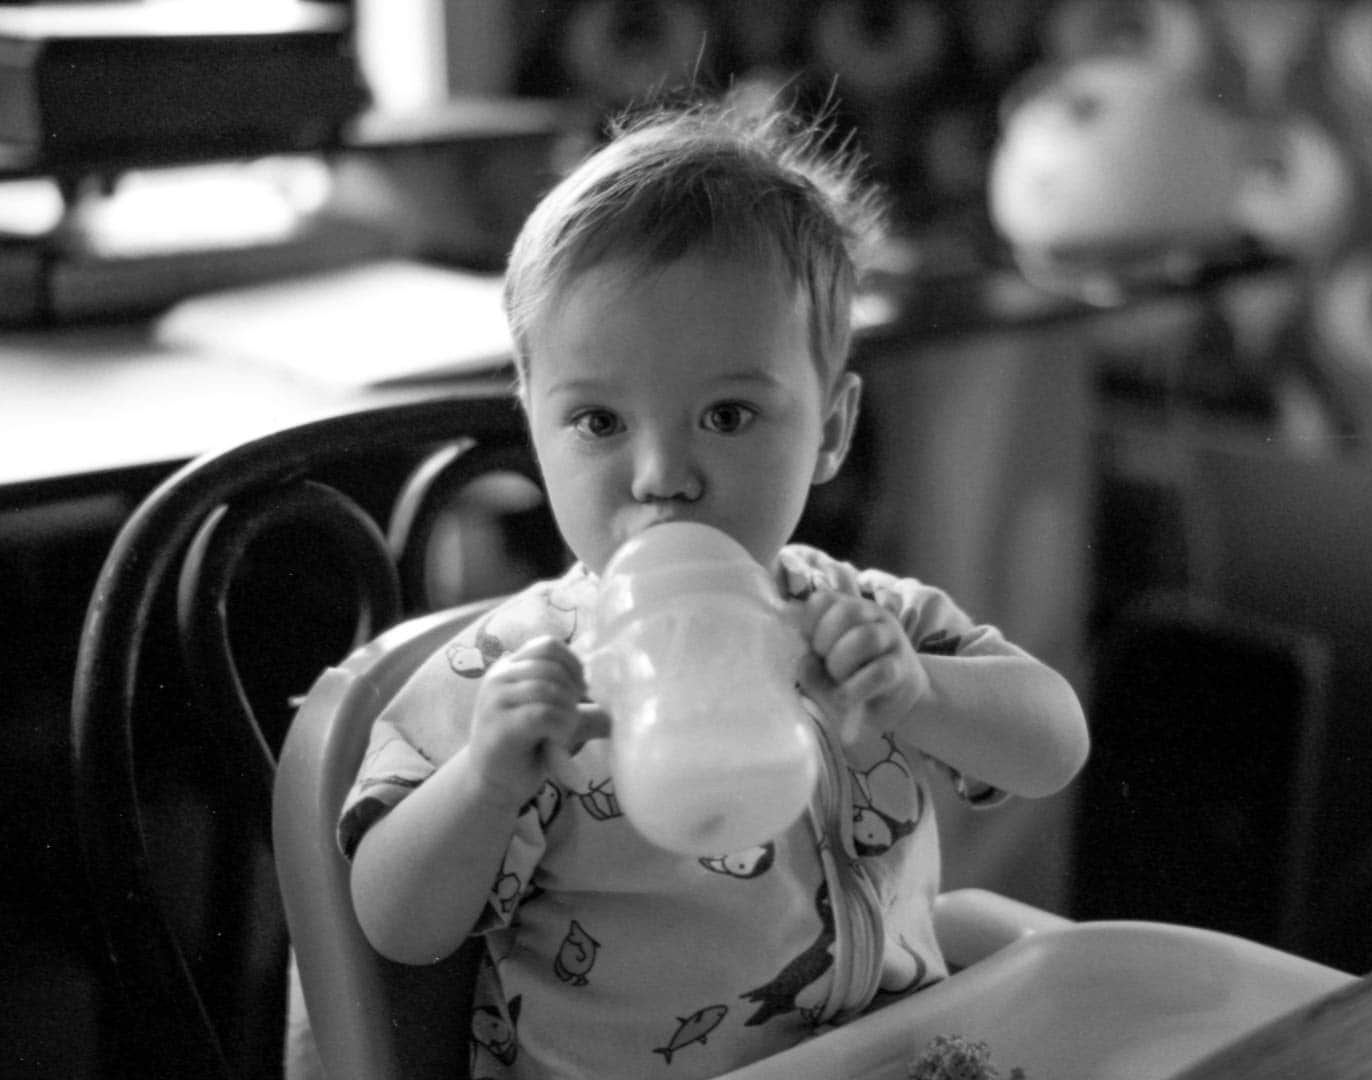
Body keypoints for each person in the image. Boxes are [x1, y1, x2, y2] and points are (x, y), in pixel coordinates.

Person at [340, 97, 1089, 1080]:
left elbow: (1052, 746)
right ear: (534, 428)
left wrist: (921, 691)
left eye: (727, 415)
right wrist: (484, 780)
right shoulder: (513, 678)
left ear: (828, 427)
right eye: (599, 422)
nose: (662, 474)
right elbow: (395, 929)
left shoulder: (865, 626)